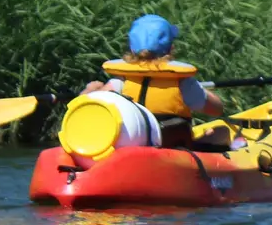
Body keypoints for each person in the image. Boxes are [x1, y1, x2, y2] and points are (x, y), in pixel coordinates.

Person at [84, 14, 227, 149]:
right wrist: (200, 90)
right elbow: (217, 109)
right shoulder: (183, 83)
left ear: (132, 49)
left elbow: (86, 109)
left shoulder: (120, 81)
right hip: (174, 150)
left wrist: (90, 90)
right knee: (222, 131)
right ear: (171, 48)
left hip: (131, 150)